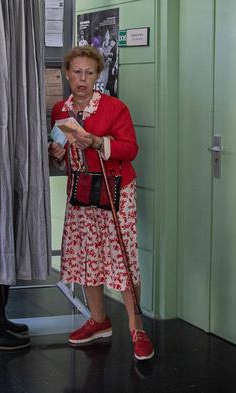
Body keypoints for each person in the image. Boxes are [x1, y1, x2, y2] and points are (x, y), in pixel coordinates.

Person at [48, 46, 154, 361]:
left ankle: (137, 328)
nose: (82, 79)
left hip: (115, 189)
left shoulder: (113, 108)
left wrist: (95, 141)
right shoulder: (59, 109)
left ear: (98, 75)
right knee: (86, 256)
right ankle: (98, 320)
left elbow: (130, 149)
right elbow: (62, 150)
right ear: (67, 73)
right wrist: (58, 152)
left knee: (122, 257)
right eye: (77, 72)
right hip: (80, 189)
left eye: (89, 73)